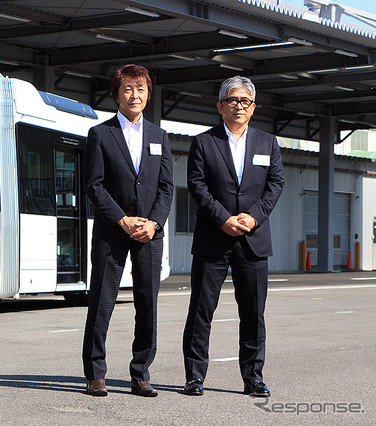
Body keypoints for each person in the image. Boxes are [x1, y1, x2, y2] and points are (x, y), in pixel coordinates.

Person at [182, 76, 284, 397]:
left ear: (253, 108)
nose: (238, 106)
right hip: (214, 237)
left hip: (253, 240)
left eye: (245, 101)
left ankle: (253, 377)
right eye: (232, 101)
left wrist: (253, 217)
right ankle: (195, 376)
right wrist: (223, 219)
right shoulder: (203, 142)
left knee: (253, 313)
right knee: (201, 310)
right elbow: (197, 186)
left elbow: (275, 184)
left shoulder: (268, 143)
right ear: (220, 106)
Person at [82, 64, 173, 397]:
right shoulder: (100, 134)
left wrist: (153, 223)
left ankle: (140, 372)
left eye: (141, 89)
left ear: (148, 94)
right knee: (102, 303)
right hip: (112, 231)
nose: (134, 95)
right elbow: (94, 185)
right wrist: (122, 220)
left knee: (147, 304)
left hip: (150, 233)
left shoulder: (160, 137)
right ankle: (95, 373)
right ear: (116, 95)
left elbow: (167, 188)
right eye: (128, 89)